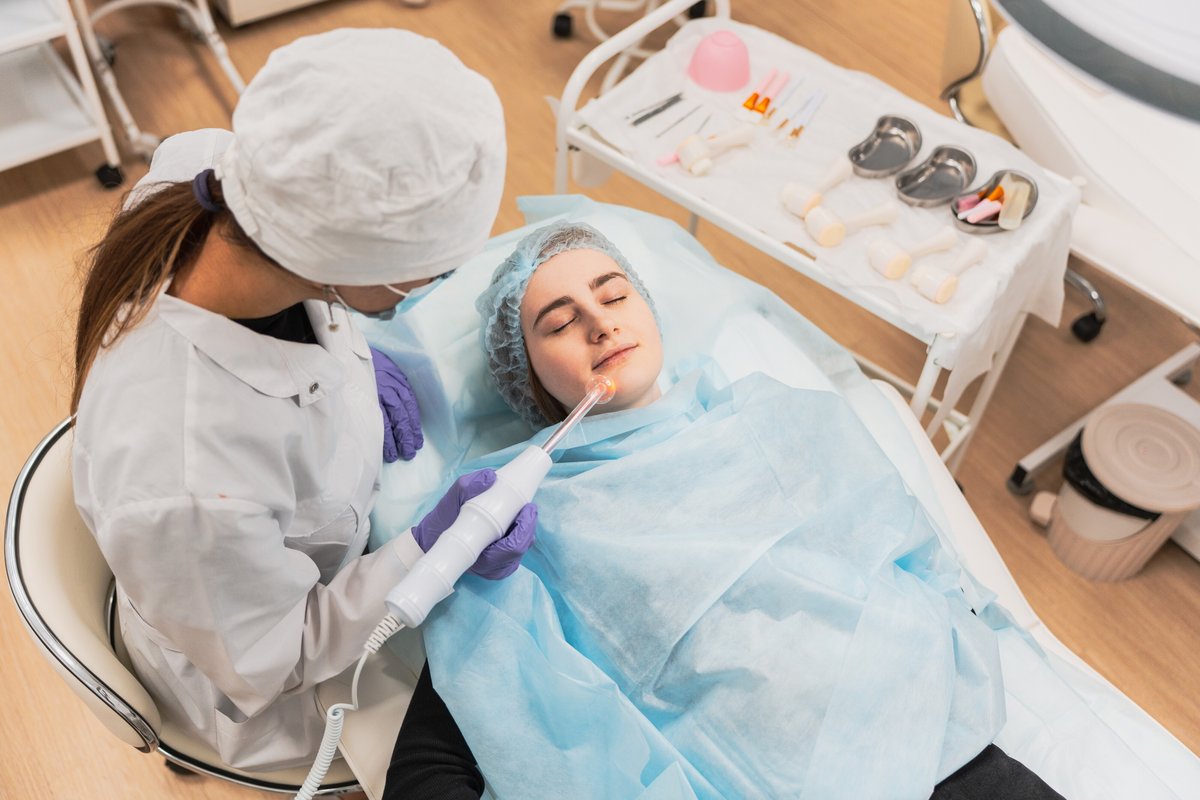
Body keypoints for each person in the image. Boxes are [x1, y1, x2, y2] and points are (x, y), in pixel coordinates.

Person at [386, 222, 1065, 799]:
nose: (599, 324)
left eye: (614, 295)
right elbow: (431, 763)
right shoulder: (520, 514)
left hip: (942, 739)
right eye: (560, 323)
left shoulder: (783, 416)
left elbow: (920, 558)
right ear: (528, 376)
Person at [71, 29, 537, 775]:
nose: (435, 288)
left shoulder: (224, 177)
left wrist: (349, 357)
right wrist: (430, 550)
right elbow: (279, 652)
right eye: (433, 271)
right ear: (357, 264)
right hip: (270, 683)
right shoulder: (190, 476)